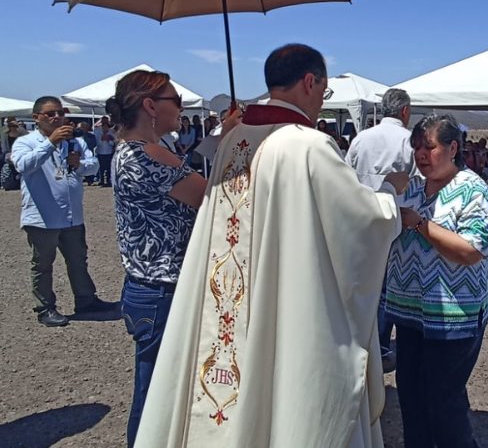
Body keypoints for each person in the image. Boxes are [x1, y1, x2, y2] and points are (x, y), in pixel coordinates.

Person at [135, 44, 408, 447]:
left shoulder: (233, 140)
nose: (320, 102)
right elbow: (363, 223)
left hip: (229, 299)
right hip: (282, 295)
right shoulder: (308, 146)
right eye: (323, 92)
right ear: (310, 82)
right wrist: (388, 191)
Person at [107, 70, 211, 446]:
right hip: (163, 292)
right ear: (151, 106)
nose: (181, 108)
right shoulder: (148, 156)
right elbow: (209, 195)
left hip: (147, 290)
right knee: (155, 397)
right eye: (176, 100)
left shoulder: (132, 151)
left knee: (156, 390)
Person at [383, 113, 488, 448]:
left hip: (453, 317)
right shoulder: (411, 187)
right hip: (409, 312)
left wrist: (420, 224)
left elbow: (471, 250)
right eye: (416, 147)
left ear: (452, 148)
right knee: (412, 396)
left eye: (428, 147)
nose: (420, 154)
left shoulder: (473, 190)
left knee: (443, 402)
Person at [12, 96, 115, 327]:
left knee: (78, 260)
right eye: (50, 114)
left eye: (60, 113)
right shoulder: (25, 142)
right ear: (36, 118)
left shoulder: (75, 142)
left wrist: (79, 165)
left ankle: (86, 300)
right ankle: (45, 307)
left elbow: (94, 166)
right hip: (42, 218)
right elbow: (23, 166)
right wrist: (50, 143)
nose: (57, 117)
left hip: (72, 216)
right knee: (43, 265)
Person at [345, 88, 415, 373]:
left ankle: (367, 338)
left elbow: (346, 176)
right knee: (392, 286)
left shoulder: (361, 138)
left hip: (361, 221)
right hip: (399, 221)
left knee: (365, 283)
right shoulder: (410, 141)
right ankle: (384, 344)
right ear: (405, 112)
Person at [94, 116, 116, 186]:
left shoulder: (111, 131)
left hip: (109, 152)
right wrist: (102, 138)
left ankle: (109, 180)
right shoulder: (97, 130)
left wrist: (109, 139)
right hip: (100, 152)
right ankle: (102, 180)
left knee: (108, 167)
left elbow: (113, 143)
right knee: (101, 167)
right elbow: (97, 142)